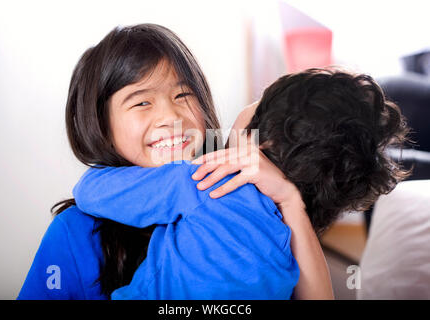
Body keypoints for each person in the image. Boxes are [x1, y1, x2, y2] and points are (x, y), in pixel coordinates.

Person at [17, 24, 332, 299]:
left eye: (183, 95)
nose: (170, 116)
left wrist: (290, 199)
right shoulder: (77, 231)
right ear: (102, 127)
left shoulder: (247, 194)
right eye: (142, 102)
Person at [72, 68, 410, 299]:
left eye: (259, 101)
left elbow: (88, 191)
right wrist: (291, 200)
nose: (172, 118)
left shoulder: (204, 181)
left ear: (260, 141)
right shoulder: (285, 225)